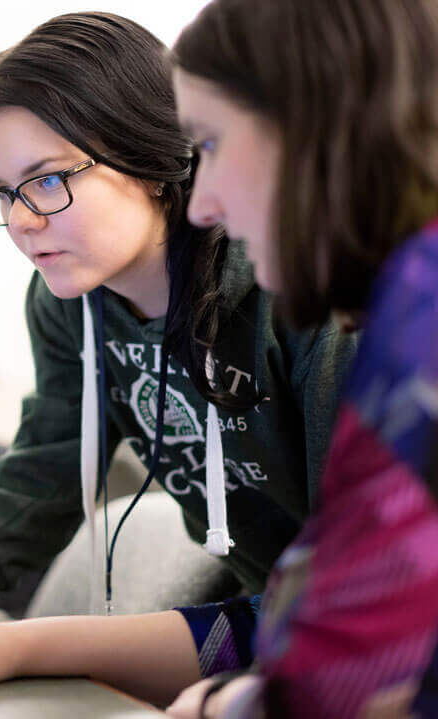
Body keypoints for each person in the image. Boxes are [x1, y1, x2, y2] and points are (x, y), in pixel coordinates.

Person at [0, 12, 357, 706]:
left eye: (47, 181)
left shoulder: (297, 292)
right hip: (272, 612)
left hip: (355, 620)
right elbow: (50, 453)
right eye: (4, 193)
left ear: (152, 157)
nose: (20, 221)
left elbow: (362, 577)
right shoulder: (65, 302)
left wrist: (13, 643)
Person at [163, 0, 438, 716]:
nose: (202, 204)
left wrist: (226, 705)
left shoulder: (424, 309)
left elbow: (332, 674)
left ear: (314, 123)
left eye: (213, 144)